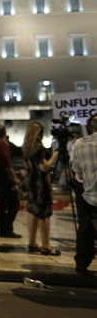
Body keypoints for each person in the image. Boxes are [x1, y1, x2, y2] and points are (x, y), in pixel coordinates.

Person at [22, 121, 61, 256]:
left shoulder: (26, 147)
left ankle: (32, 243)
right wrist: (55, 155)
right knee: (44, 213)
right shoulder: (39, 148)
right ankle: (46, 246)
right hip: (41, 183)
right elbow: (44, 167)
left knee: (33, 211)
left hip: (31, 181)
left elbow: (27, 166)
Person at [69, 113, 97, 276]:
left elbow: (76, 172)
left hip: (87, 194)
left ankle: (82, 264)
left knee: (85, 229)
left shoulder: (79, 144)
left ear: (89, 127)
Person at [0, 124, 22, 238]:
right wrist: (15, 177)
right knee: (14, 204)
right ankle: (7, 228)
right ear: (5, 133)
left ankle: (1, 229)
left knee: (2, 203)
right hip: (4, 176)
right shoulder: (2, 144)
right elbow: (7, 163)